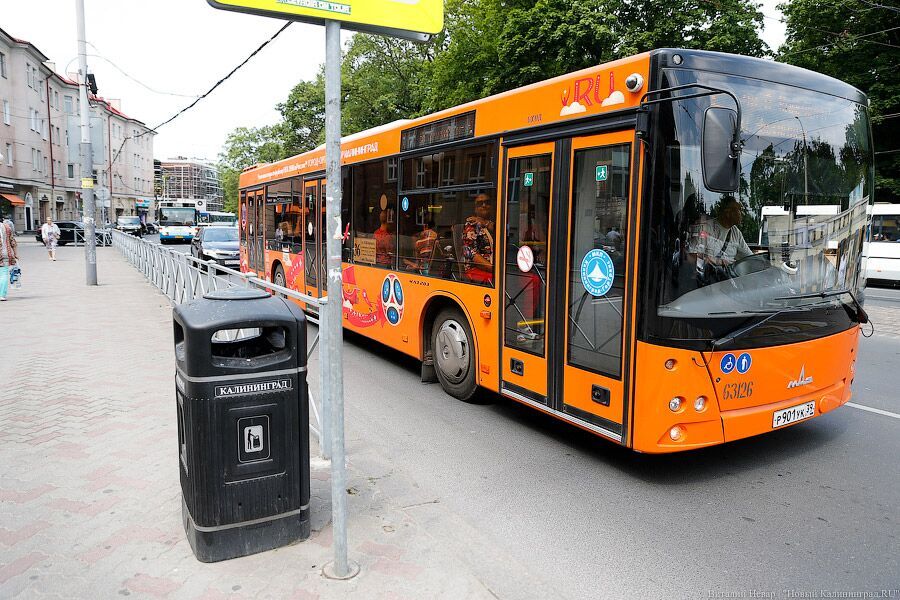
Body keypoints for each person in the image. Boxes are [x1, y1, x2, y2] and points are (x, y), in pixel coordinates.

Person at [687, 196, 752, 278]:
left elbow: (749, 257)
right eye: (738, 210)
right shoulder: (705, 228)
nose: (742, 214)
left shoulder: (736, 232)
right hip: (707, 279)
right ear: (728, 213)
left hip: (730, 281)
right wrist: (718, 261)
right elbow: (691, 256)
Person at [462, 193, 495, 283]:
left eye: (487, 203)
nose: (484, 205)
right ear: (475, 209)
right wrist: (494, 269)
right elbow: (471, 253)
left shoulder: (495, 224)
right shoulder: (471, 225)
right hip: (476, 270)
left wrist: (485, 223)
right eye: (480, 203)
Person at [0, 218, 17, 301]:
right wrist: (15, 254)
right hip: (5, 253)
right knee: (3, 274)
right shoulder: (7, 227)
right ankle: (2, 295)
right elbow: (12, 242)